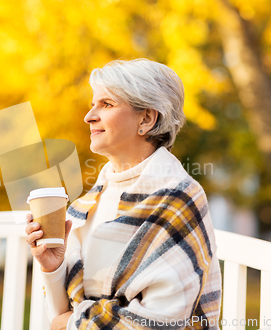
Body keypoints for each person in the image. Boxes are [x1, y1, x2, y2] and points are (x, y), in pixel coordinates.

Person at [25, 58, 222, 330]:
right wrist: (53, 266)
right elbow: (60, 313)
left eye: (106, 104)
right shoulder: (86, 205)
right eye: (93, 104)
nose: (89, 116)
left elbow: (161, 319)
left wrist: (73, 324)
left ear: (147, 118)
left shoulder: (178, 198)